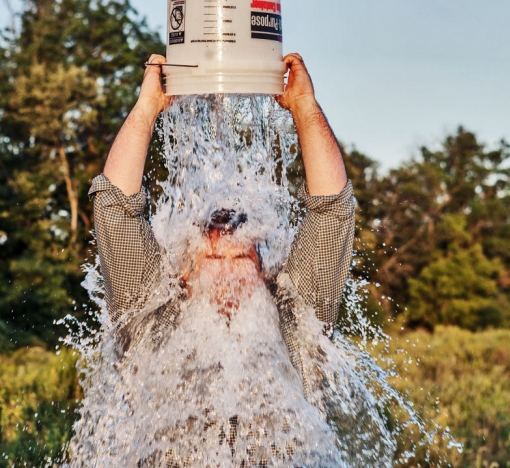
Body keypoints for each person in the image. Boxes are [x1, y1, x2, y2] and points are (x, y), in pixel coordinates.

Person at [87, 53, 356, 466]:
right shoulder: (150, 320)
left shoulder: (297, 322)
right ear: (183, 275)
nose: (225, 272)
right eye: (213, 260)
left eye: (239, 260)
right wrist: (147, 109)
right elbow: (115, 207)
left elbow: (332, 210)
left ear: (264, 271)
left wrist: (305, 107)